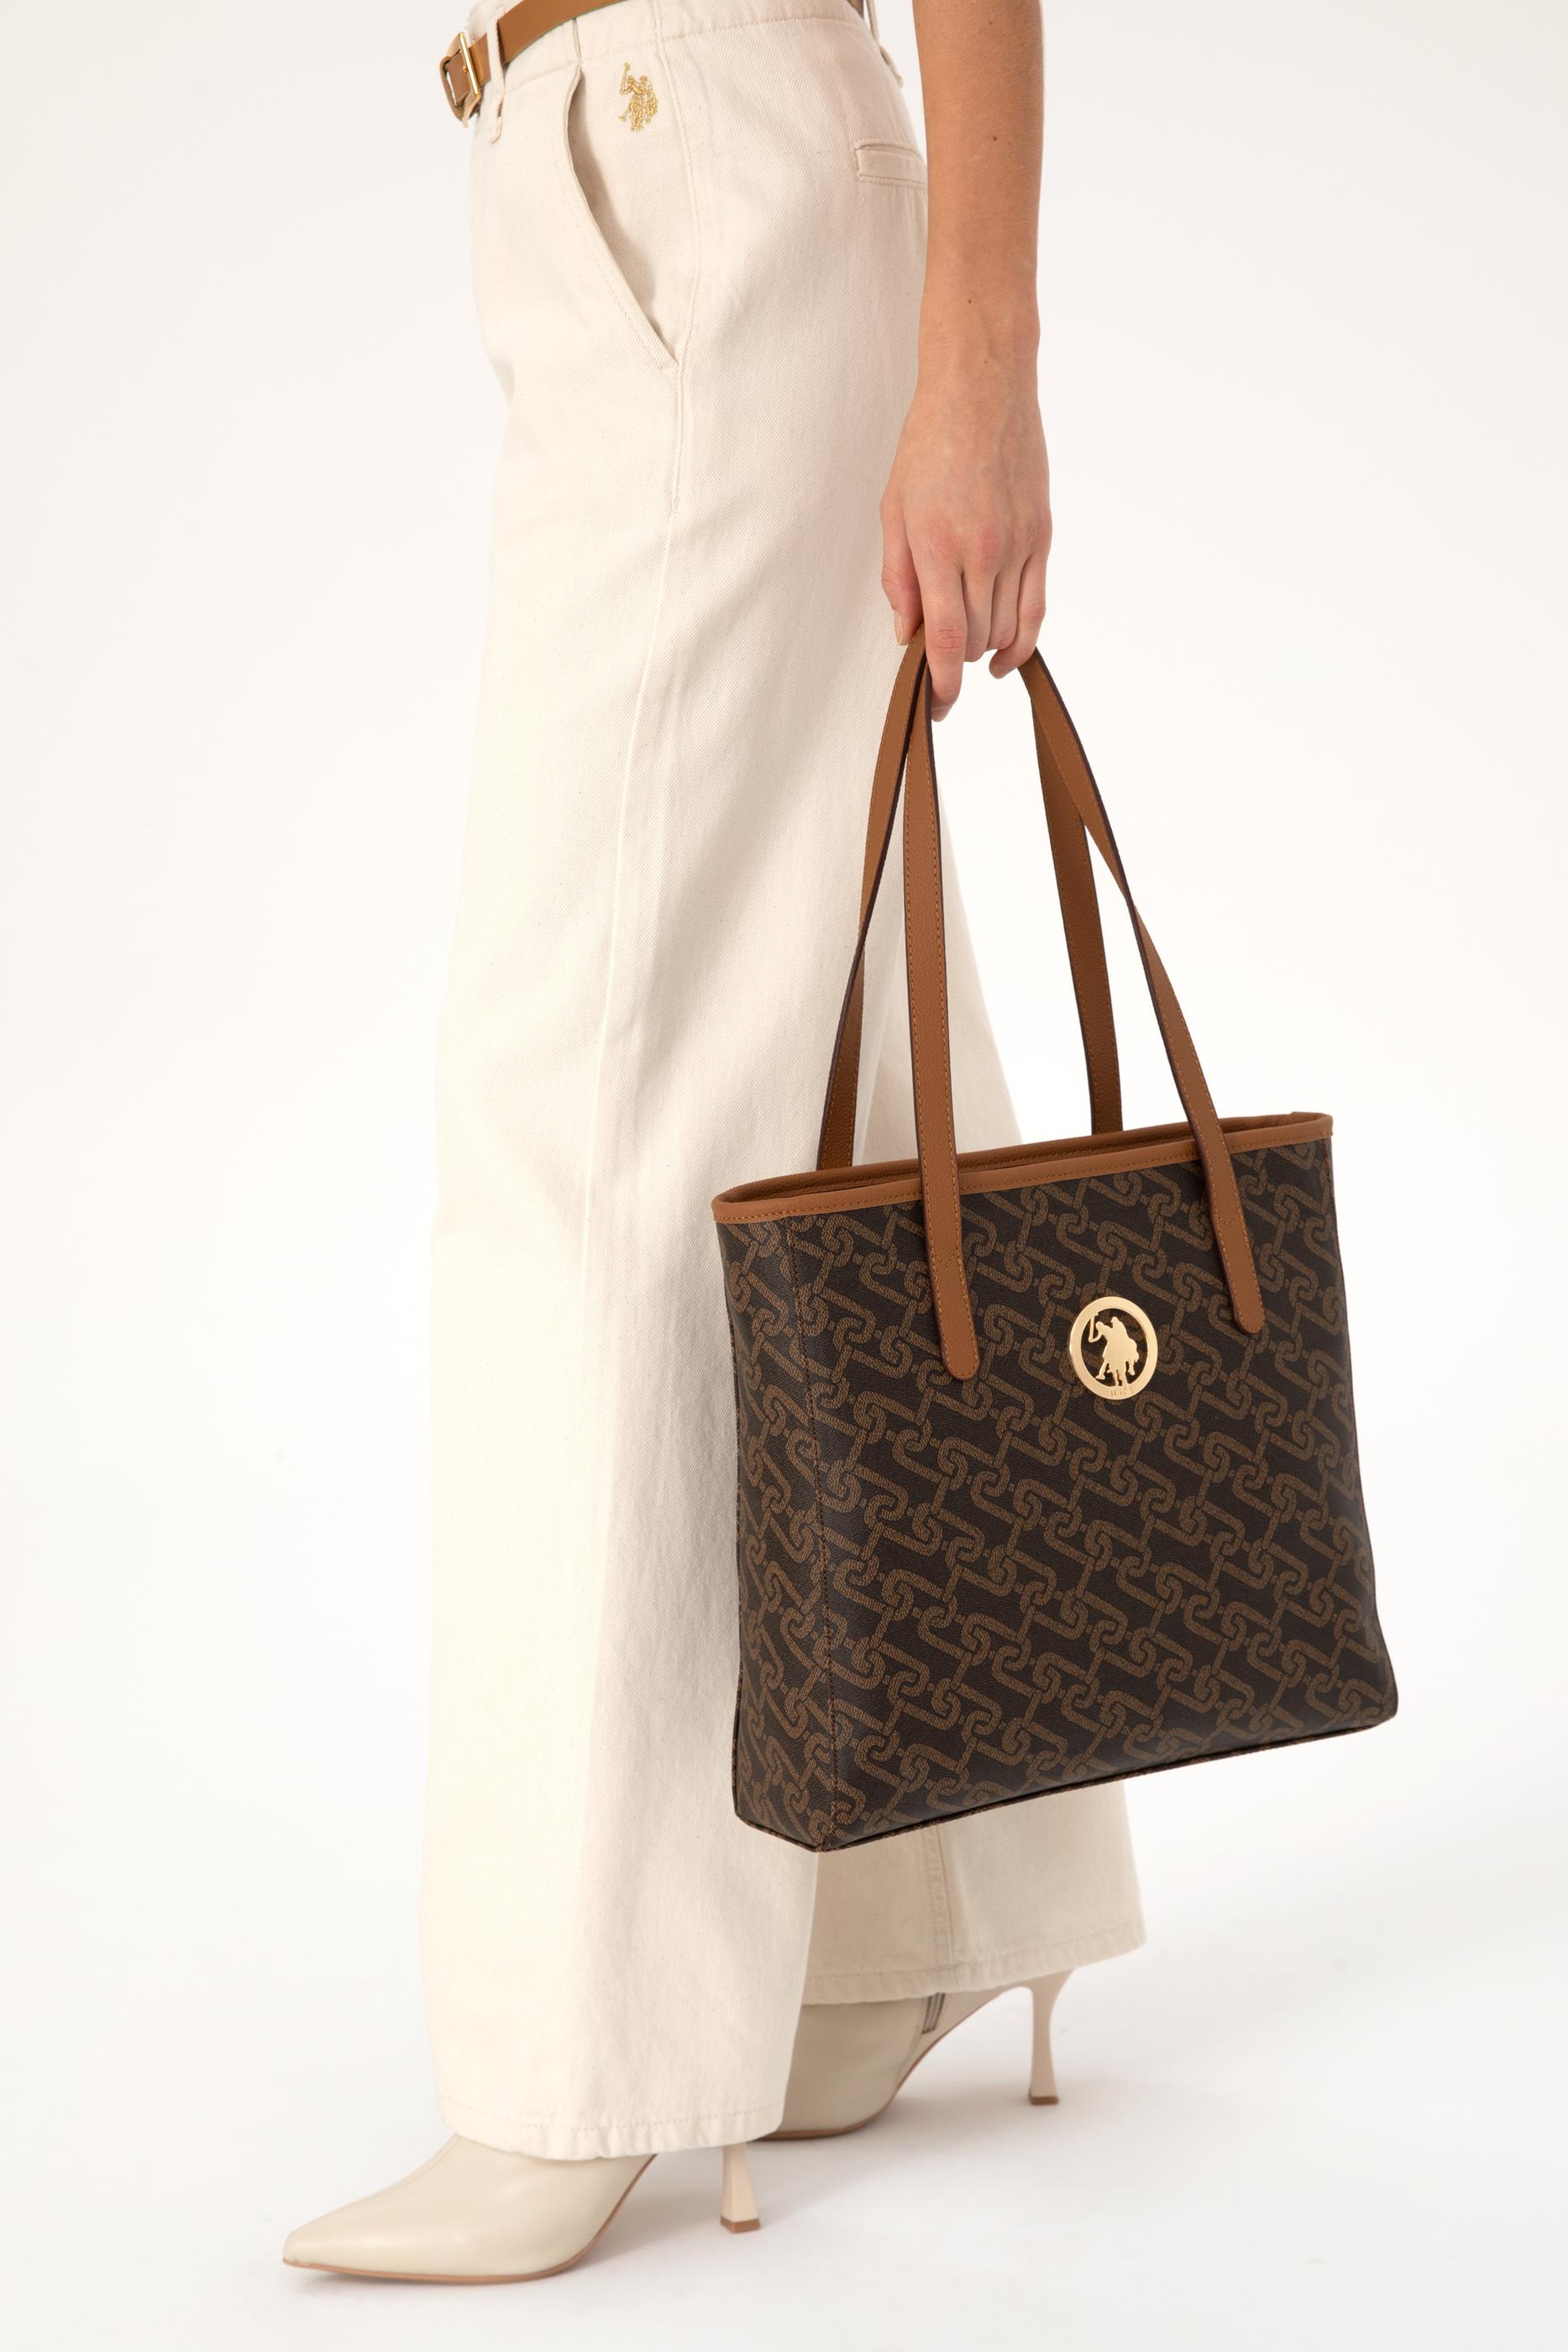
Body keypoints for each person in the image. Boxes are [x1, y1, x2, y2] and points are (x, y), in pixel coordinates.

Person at [283, 0, 1141, 2284]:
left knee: (581, 1108)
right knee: (812, 1051)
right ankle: (914, 1898)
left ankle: (573, 2061)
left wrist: (982, 359)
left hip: (697, 155)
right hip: (626, 168)